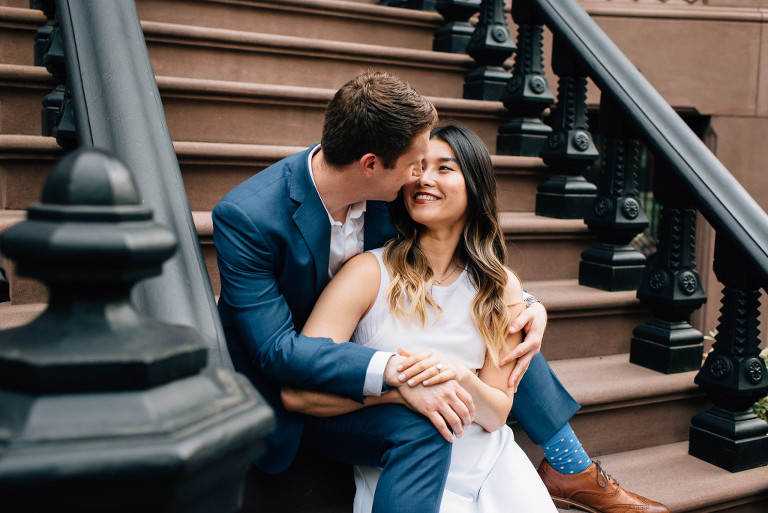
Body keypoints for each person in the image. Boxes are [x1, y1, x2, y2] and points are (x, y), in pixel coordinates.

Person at [212, 70, 669, 513]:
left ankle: (569, 463)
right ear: (371, 165)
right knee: (443, 380)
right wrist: (401, 377)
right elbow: (279, 351)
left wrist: (525, 303)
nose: (419, 176)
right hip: (292, 364)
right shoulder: (251, 217)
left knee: (499, 317)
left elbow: (457, 258)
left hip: (369, 333)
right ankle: (569, 464)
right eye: (415, 163)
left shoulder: (387, 194)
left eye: (434, 166)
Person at [283, 123, 559, 512]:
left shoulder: (502, 287)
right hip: (408, 464)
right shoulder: (367, 272)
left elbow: (497, 413)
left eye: (444, 168)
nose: (424, 179)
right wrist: (401, 392)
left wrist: (459, 375)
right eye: (418, 168)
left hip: (492, 466)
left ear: (475, 185)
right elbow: (299, 389)